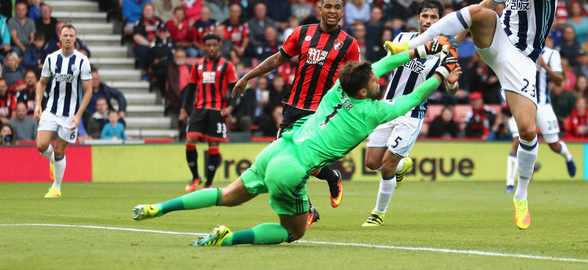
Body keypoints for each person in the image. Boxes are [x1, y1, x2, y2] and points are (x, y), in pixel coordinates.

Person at [132, 38, 459, 246]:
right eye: (374, 81)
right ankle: (229, 239)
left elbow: (385, 64)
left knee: (226, 195)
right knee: (294, 231)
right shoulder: (373, 112)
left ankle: (158, 208)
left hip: (279, 147)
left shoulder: (338, 89)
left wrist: (425, 50)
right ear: (363, 91)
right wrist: (443, 72)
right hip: (294, 167)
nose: (378, 79)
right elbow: (416, 95)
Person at [392, 0, 560, 229]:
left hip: (522, 62)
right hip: (498, 43)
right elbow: (483, 8)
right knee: (480, 13)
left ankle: (520, 197)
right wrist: (455, 38)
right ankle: (413, 45)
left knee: (528, 131)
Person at [231, 0, 360, 228]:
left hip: (322, 111)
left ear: (343, 12)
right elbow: (277, 59)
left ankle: (308, 208)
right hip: (293, 107)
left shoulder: (349, 44)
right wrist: (247, 77)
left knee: (295, 161)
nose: (332, 11)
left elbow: (354, 80)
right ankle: (330, 179)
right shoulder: (302, 33)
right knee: (290, 159)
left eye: (337, 7)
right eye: (328, 6)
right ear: (319, 8)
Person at [362, 0, 460, 227]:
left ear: (440, 21)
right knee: (371, 163)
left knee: (386, 166)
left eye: (433, 17)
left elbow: (452, 89)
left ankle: (378, 213)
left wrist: (452, 83)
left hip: (412, 114)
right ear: (418, 18)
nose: (428, 21)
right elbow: (387, 65)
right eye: (424, 16)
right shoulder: (402, 39)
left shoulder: (446, 51)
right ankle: (402, 165)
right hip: (387, 108)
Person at [505, 36, 577, 194]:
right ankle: (510, 183)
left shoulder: (552, 55)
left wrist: (545, 66)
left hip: (543, 106)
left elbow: (559, 81)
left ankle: (567, 156)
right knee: (517, 141)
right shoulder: (519, 50)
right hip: (523, 104)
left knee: (554, 145)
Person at [34, 24, 93, 198]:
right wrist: (38, 104)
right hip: (51, 109)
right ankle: (53, 161)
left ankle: (56, 187)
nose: (68, 38)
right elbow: (42, 83)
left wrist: (78, 115)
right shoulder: (51, 59)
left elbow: (88, 91)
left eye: (71, 35)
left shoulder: (82, 61)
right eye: (65, 35)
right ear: (60, 37)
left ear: (75, 39)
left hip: (70, 114)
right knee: (41, 145)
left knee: (60, 150)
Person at [178, 33, 237, 192]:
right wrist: (184, 109)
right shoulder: (197, 65)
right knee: (190, 141)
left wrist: (230, 107)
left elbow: (236, 90)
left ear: (219, 46)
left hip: (217, 111)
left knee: (213, 144)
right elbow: (190, 90)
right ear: (204, 46)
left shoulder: (227, 65)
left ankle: (208, 183)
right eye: (208, 45)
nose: (211, 48)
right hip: (198, 110)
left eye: (214, 45)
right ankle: (195, 177)